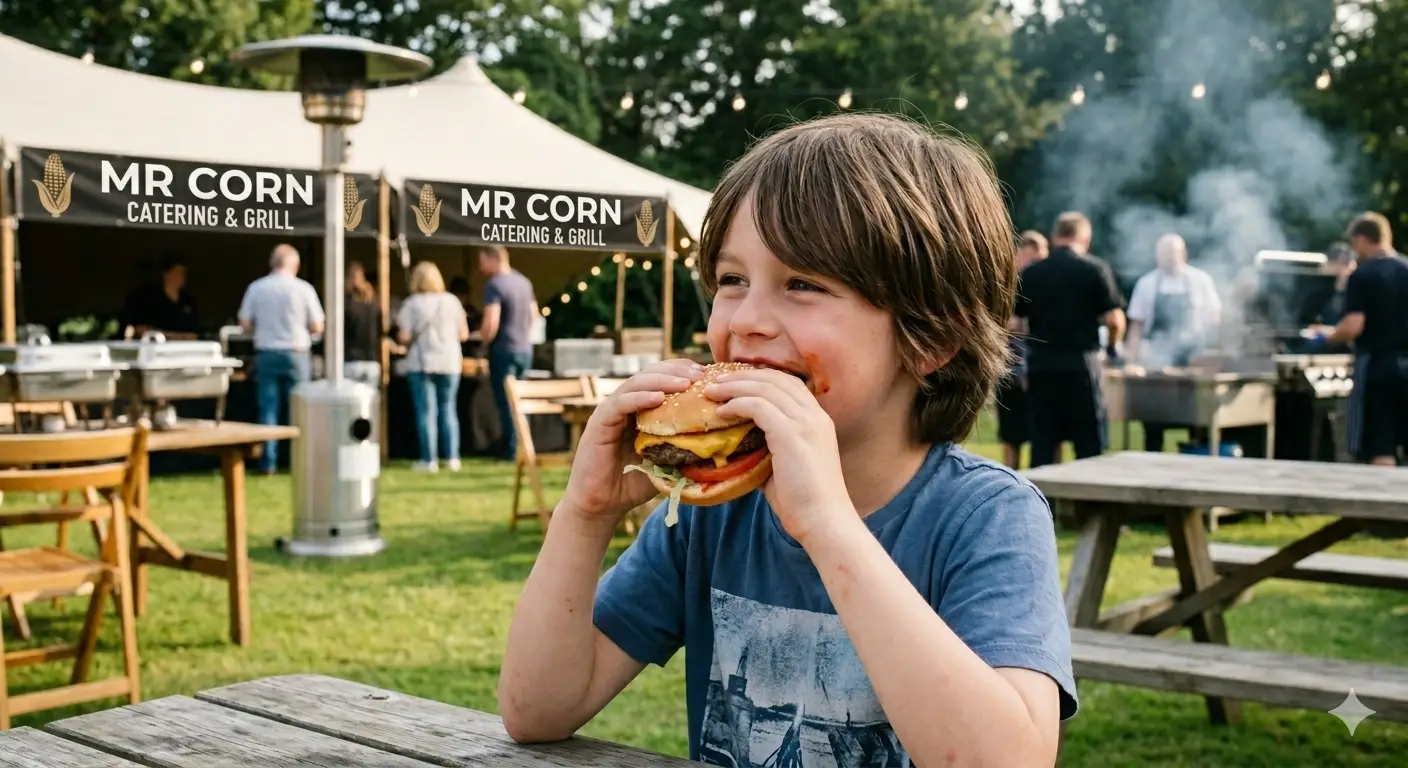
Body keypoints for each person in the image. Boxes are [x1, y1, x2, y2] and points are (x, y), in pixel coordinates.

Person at [498, 114, 1076, 767]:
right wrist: (584, 515)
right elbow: (536, 709)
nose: (745, 321)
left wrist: (828, 526)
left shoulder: (987, 517)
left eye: (803, 284)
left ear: (933, 337)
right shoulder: (713, 510)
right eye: (732, 280)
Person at [1015, 211, 1126, 468]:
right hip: (1081, 367)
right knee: (1089, 447)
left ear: (1055, 238)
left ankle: (1043, 505)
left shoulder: (1032, 273)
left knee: (1043, 445)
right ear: (1084, 239)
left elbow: (1015, 323)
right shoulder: (1094, 269)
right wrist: (1110, 349)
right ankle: (1089, 506)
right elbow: (1115, 320)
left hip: (1041, 367)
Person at [1309, 212, 1408, 466]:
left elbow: (1353, 326)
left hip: (1378, 367)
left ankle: (1381, 504)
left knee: (1381, 443)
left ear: (1363, 239)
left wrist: (1326, 337)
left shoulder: (1364, 276)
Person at [1123, 233, 1222, 451]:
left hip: (1193, 362)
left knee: (1198, 423)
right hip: (1156, 363)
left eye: (1172, 254)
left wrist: (1210, 355)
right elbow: (1136, 327)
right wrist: (1131, 360)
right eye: (1163, 254)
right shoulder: (1147, 283)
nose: (1167, 259)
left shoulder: (1200, 281)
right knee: (1154, 422)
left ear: (1183, 254)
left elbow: (1215, 320)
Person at [237, 244, 325, 474]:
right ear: (294, 265)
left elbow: (244, 323)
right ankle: (301, 459)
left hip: (267, 352)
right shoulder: (304, 289)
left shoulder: (256, 288)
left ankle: (269, 462)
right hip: (297, 353)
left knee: (268, 409)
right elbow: (317, 326)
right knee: (300, 409)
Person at [397, 261, 470, 472]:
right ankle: (453, 457)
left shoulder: (412, 304)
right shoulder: (452, 301)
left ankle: (429, 459)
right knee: (448, 409)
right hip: (449, 361)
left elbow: (403, 336)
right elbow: (463, 334)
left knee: (426, 412)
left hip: (422, 362)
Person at [477, 245, 538, 461]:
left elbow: (491, 323)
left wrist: (482, 343)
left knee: (506, 402)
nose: (480, 266)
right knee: (522, 402)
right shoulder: (524, 282)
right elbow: (534, 315)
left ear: (494, 259)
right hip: (524, 349)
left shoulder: (495, 285)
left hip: (503, 350)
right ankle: (525, 446)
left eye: (482, 260)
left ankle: (511, 451)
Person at [997, 230, 1047, 468]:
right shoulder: (1004, 284)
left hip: (1038, 366)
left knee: (1045, 434)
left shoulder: (1045, 283)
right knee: (1011, 434)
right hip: (1011, 365)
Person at [119, 255, 199, 339]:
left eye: (183, 273)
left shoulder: (187, 300)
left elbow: (194, 332)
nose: (181, 276)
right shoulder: (149, 298)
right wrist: (169, 336)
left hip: (185, 348)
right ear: (165, 274)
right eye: (177, 272)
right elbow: (140, 329)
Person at [344, 262, 383, 387]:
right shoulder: (373, 306)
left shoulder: (345, 306)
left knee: (349, 403)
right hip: (371, 361)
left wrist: (346, 292)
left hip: (351, 360)